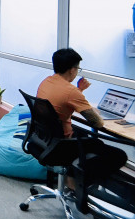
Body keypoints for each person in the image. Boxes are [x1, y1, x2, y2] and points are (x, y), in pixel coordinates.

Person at [37, 48, 126, 182]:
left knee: (91, 140)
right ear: (72, 70)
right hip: (62, 144)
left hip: (43, 138)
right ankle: (77, 181)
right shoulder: (71, 91)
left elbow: (62, 101)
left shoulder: (47, 82)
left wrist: (79, 90)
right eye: (78, 68)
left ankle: (72, 177)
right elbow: (98, 123)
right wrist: (93, 111)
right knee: (119, 155)